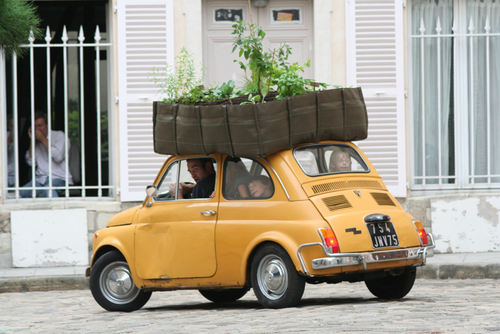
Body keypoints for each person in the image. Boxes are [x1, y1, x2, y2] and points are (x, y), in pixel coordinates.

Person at [20, 112, 73, 198]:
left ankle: (56, 211)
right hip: (41, 180)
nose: (37, 129)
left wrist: (43, 139)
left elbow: (58, 157)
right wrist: (31, 141)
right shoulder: (35, 142)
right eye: (35, 127)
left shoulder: (60, 136)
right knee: (22, 192)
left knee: (49, 189)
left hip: (59, 178)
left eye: (40, 126)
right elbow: (31, 163)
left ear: (48, 125)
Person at [7, 117, 15, 187]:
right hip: (5, 176)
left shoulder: (22, 136)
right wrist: (8, 141)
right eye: (12, 126)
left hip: (17, 176)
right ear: (8, 126)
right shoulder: (3, 136)